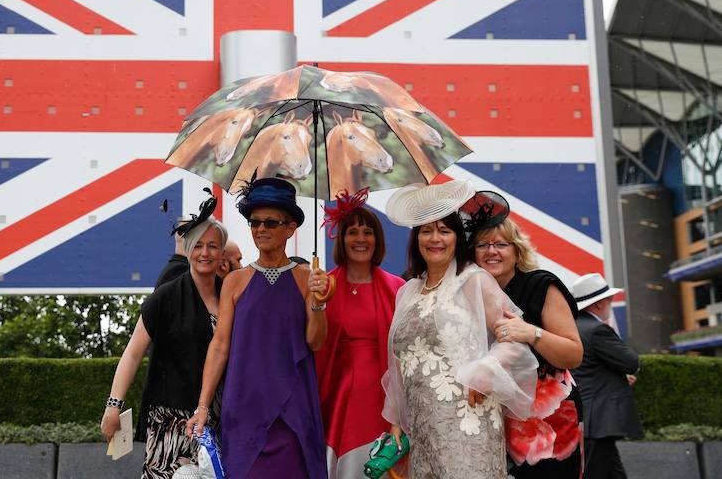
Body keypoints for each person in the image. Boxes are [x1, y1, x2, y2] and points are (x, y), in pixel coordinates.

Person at [382, 180, 538, 479]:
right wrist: (397, 423)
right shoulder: (408, 291)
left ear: (457, 238)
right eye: (426, 230)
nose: (435, 238)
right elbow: (400, 366)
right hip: (421, 427)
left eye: (445, 230)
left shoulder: (473, 281)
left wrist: (486, 369)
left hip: (467, 419)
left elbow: (514, 340)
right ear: (416, 239)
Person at [187, 177, 329, 478]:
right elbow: (220, 344)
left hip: (294, 409)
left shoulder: (309, 278)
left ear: (291, 228)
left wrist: (318, 302)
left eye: (270, 223)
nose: (261, 229)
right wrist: (202, 406)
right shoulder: (234, 282)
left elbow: (315, 342)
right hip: (244, 410)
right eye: (254, 222)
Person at [101, 194, 227, 479]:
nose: (205, 253)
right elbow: (133, 352)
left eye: (213, 246)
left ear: (222, 254)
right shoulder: (166, 296)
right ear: (188, 249)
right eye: (198, 245)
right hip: (170, 420)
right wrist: (113, 405)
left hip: (218, 420)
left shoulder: (230, 294)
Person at [468, 192, 584, 477]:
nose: (491, 251)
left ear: (517, 251)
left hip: (547, 417)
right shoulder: (472, 295)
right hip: (496, 415)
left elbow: (573, 354)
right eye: (482, 245)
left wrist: (531, 333)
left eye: (501, 244)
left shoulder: (540, 285)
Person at [315, 188, 404, 477]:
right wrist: (314, 303)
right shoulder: (323, 286)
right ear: (342, 239)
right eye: (352, 232)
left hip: (381, 398)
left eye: (368, 232)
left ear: (377, 240)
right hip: (334, 394)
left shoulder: (398, 288)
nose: (361, 239)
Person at [571, 273, 643, 479]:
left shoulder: (574, 327)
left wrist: (615, 376)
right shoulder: (598, 329)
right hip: (601, 419)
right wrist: (624, 373)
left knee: (612, 472)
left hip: (588, 416)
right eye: (610, 300)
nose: (611, 303)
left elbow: (587, 369)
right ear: (600, 303)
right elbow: (632, 362)